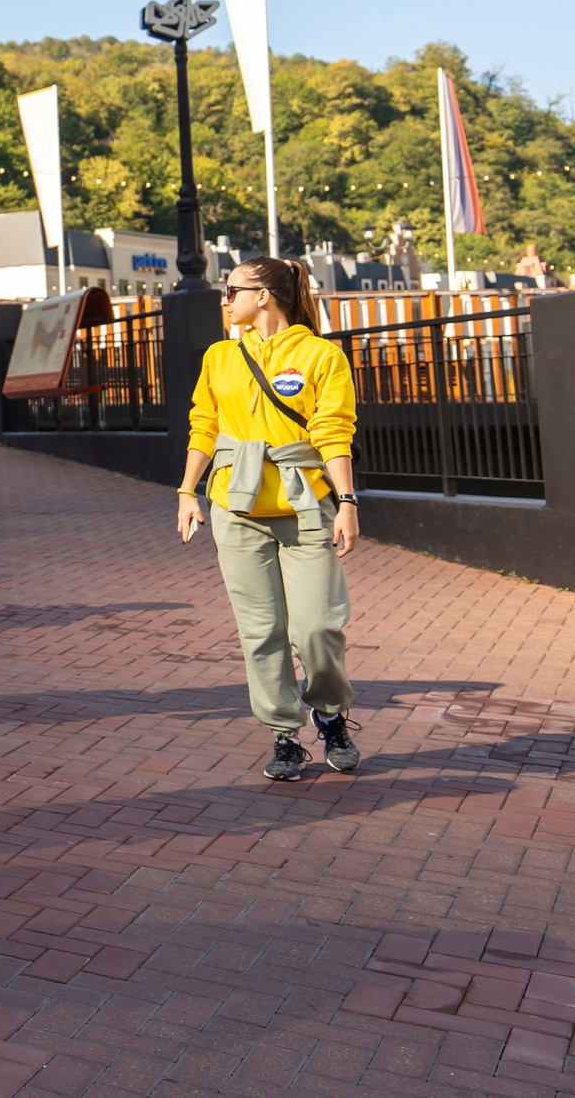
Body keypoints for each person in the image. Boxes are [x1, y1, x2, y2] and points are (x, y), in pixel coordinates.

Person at [179, 255, 363, 782]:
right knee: (261, 631)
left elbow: (334, 431)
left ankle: (329, 713)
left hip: (306, 504)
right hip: (235, 509)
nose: (224, 298)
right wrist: (187, 490)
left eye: (231, 289)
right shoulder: (219, 356)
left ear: (263, 295)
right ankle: (284, 733)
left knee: (319, 627)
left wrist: (347, 502)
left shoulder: (321, 355)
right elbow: (204, 426)